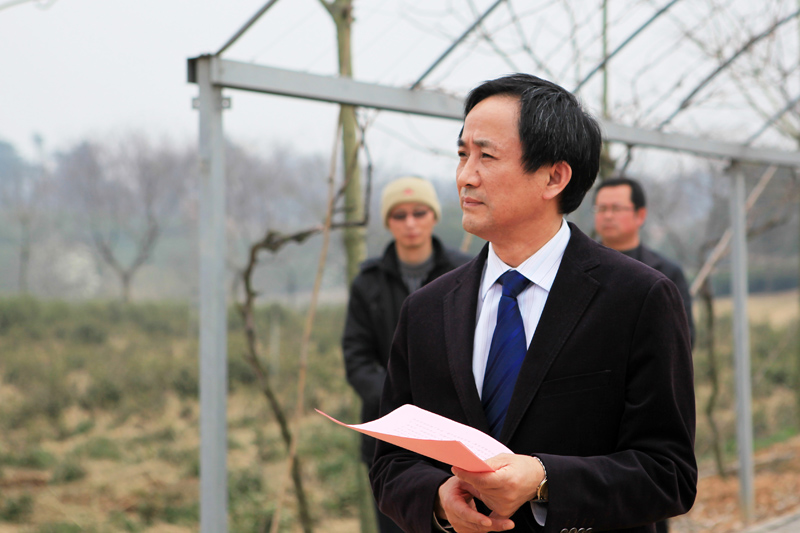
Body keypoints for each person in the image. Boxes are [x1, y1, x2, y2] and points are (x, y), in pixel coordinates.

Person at [370, 74, 697, 533]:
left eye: (486, 156)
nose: (465, 176)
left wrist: (546, 480)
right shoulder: (426, 309)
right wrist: (439, 500)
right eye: (462, 154)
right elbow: (391, 463)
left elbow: (669, 473)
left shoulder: (638, 298)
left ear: (553, 176)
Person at [343, 176, 471, 533]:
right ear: (388, 222)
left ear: (434, 216)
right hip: (387, 435)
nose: (410, 223)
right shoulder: (368, 282)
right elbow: (356, 356)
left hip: (454, 433)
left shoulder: (466, 273)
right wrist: (396, 403)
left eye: (419, 212)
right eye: (400, 215)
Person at [593, 177, 695, 348]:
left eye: (616, 208)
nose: (608, 216)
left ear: (640, 215)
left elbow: (684, 338)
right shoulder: (577, 267)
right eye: (601, 209)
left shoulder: (666, 272)